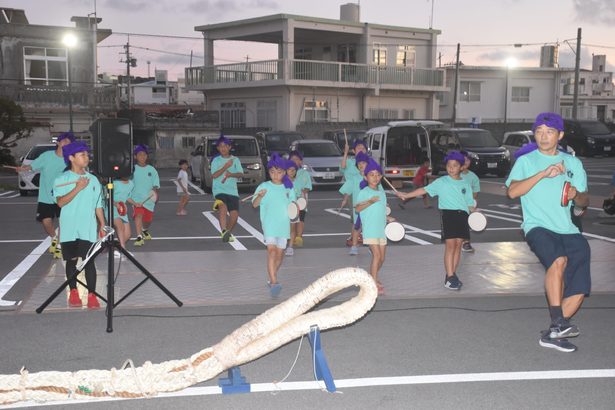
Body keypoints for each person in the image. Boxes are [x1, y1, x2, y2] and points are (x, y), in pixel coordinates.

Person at [506, 112, 590, 353]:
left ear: (560, 135)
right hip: (537, 226)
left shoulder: (573, 163)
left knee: (580, 287)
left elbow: (584, 202)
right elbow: (512, 192)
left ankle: (554, 331)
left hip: (569, 228)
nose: (543, 136)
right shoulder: (526, 161)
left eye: (549, 131)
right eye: (539, 131)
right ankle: (559, 321)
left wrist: (577, 196)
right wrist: (543, 173)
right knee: (558, 260)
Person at [395, 151, 475, 291]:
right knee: (450, 245)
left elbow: (469, 203)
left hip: (463, 216)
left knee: (458, 246)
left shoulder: (465, 184)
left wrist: (475, 212)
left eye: (455, 165)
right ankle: (450, 276)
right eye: (449, 165)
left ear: (461, 167)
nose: (451, 168)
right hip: (448, 215)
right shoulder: (441, 182)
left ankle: (452, 275)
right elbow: (423, 190)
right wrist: (407, 195)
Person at [53, 141, 105, 309]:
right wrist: (77, 188)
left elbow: (98, 205)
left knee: (89, 261)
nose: (87, 157)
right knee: (72, 261)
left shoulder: (94, 180)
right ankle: (73, 292)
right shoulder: (62, 179)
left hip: (88, 228)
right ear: (71, 158)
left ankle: (92, 295)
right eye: (82, 155)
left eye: (87, 154)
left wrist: (102, 225)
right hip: (69, 228)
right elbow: (60, 203)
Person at [14, 132, 75, 258]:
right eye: (64, 141)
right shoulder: (46, 156)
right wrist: (23, 168)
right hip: (46, 197)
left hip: (64, 197)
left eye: (69, 142)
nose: (66, 143)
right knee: (46, 222)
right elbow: (31, 166)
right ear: (58, 142)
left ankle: (59, 247)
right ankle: (54, 238)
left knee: (64, 222)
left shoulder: (71, 159)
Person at [252, 153, 296, 298]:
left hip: (283, 226)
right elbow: (254, 204)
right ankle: (274, 282)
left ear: (284, 173)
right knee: (271, 252)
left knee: (279, 256)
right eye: (272, 172)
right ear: (269, 172)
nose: (275, 175)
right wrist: (260, 196)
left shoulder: (289, 188)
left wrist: (297, 207)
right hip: (269, 224)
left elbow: (294, 207)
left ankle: (272, 276)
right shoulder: (264, 186)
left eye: (279, 172)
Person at [355, 159, 388, 295]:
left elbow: (382, 209)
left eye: (377, 175)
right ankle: (373, 282)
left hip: (381, 229)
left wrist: (389, 218)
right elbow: (357, 208)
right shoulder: (364, 192)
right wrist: (370, 201)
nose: (375, 177)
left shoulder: (381, 192)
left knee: (382, 258)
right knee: (377, 255)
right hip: (370, 229)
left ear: (380, 177)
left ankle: (373, 276)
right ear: (365, 177)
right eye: (371, 174)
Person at [211, 136, 244, 242]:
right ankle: (224, 229)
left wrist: (231, 174)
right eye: (220, 146)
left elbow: (240, 174)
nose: (223, 148)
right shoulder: (215, 160)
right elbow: (214, 175)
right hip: (219, 190)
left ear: (230, 147)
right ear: (218, 148)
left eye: (225, 146)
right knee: (223, 207)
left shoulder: (235, 160)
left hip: (232, 191)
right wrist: (225, 167)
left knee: (234, 216)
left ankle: (226, 233)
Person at [339, 151, 370, 255]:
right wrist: (344, 200)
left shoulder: (373, 177)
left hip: (370, 206)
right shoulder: (354, 178)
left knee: (369, 227)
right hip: (358, 207)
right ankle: (354, 246)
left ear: (368, 164)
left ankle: (371, 247)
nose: (361, 165)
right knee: (357, 227)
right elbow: (348, 190)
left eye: (363, 163)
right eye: (359, 163)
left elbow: (379, 192)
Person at [131, 145, 160, 247]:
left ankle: (144, 230)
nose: (142, 157)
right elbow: (128, 183)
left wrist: (155, 194)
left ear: (147, 156)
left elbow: (156, 185)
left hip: (149, 200)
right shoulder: (132, 170)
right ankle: (139, 237)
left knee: (148, 220)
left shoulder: (152, 170)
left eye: (144, 155)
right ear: (135, 157)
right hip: (137, 200)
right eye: (139, 155)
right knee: (138, 215)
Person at [288, 150, 313, 248]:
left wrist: (304, 191)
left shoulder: (304, 173)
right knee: (291, 219)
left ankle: (299, 237)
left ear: (301, 162)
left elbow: (308, 187)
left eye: (297, 159)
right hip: (289, 199)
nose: (294, 161)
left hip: (301, 199)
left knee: (301, 218)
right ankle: (291, 237)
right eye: (292, 159)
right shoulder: (286, 173)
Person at [460, 151, 480, 252]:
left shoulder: (473, 177)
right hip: (453, 205)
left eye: (467, 160)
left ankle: (466, 243)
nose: (465, 162)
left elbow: (475, 194)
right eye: (463, 160)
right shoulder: (453, 174)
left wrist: (470, 204)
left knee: (464, 223)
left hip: (466, 205)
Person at [110, 175, 135, 254]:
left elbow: (128, 197)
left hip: (122, 210)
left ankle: (115, 249)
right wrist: (115, 203)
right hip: (112, 208)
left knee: (128, 234)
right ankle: (123, 251)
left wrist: (135, 203)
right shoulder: (114, 183)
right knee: (120, 227)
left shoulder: (131, 184)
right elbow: (107, 196)